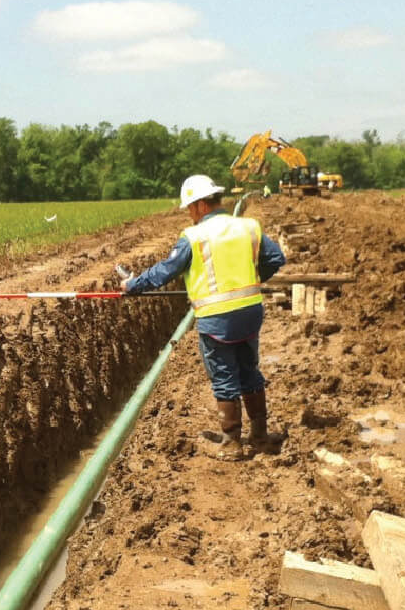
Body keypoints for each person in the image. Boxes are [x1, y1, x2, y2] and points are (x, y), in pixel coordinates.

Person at [123, 174, 287, 458]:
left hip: (217, 318)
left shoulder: (194, 236)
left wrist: (133, 286)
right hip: (250, 312)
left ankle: (232, 443)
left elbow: (164, 271)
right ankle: (259, 435)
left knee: (224, 376)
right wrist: (251, 279)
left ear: (200, 205)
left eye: (189, 207)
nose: (189, 214)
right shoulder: (248, 226)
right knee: (249, 371)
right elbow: (276, 258)